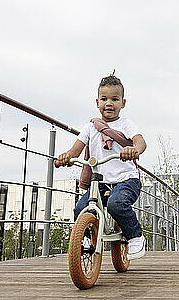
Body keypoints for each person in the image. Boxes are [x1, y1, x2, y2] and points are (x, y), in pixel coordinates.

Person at [55, 74, 147, 260]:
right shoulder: (90, 128)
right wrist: (67, 157)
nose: (109, 103)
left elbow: (140, 142)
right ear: (97, 102)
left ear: (123, 103)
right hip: (100, 182)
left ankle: (136, 236)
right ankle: (87, 240)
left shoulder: (126, 124)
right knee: (80, 209)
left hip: (126, 179)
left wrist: (133, 150)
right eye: (104, 99)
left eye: (115, 99)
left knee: (117, 204)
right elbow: (76, 150)